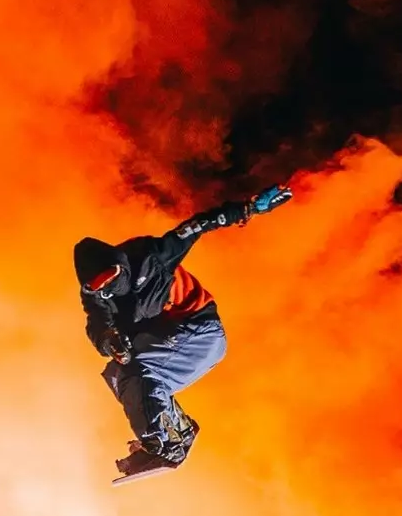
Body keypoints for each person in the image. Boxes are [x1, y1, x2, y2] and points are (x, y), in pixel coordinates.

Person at [74, 184, 293, 479]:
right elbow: (97, 323)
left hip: (200, 331)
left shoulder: (150, 256)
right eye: (98, 286)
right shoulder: (96, 296)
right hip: (164, 336)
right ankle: (174, 430)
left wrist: (249, 208)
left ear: (120, 265)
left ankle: (169, 445)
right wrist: (108, 340)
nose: (106, 288)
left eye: (110, 278)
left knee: (140, 373)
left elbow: (198, 225)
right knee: (117, 373)